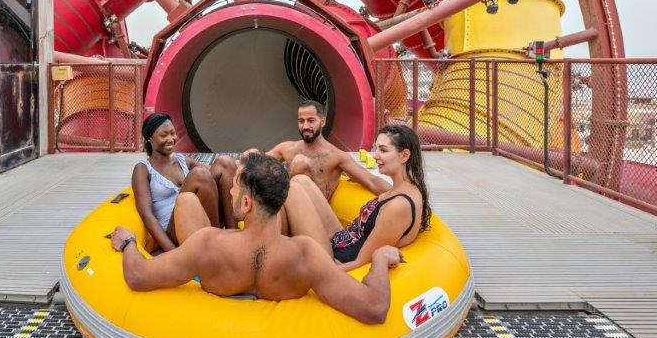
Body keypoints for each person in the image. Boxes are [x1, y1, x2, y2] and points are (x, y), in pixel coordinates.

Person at [109, 152, 401, 324]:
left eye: (235, 188)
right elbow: (374, 308)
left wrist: (129, 243)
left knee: (185, 203)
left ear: (247, 203)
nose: (230, 191)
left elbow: (137, 276)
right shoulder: (305, 254)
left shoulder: (207, 244)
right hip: (284, 329)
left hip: (215, 320)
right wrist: (379, 259)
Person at [283, 124, 431, 272]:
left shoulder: (398, 206)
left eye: (383, 150)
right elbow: (374, 183)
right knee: (301, 180)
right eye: (376, 149)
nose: (375, 155)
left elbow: (361, 261)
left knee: (294, 190)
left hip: (334, 260)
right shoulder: (405, 189)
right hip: (341, 240)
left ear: (404, 155)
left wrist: (321, 276)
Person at [132, 113, 238, 252]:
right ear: (149, 139)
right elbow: (147, 215)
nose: (171, 139)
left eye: (172, 133)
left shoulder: (182, 160)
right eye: (164, 135)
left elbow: (217, 172)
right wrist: (174, 253)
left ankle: (234, 237)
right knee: (199, 175)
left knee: (225, 162)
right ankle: (217, 243)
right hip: (175, 229)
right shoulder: (143, 169)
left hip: (202, 219)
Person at [246, 100, 389, 200]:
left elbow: (371, 181)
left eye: (311, 120)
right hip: (286, 208)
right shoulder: (287, 148)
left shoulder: (336, 156)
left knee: (300, 162)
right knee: (249, 154)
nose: (305, 126)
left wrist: (401, 194)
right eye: (301, 121)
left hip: (315, 216)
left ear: (323, 121)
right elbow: (256, 164)